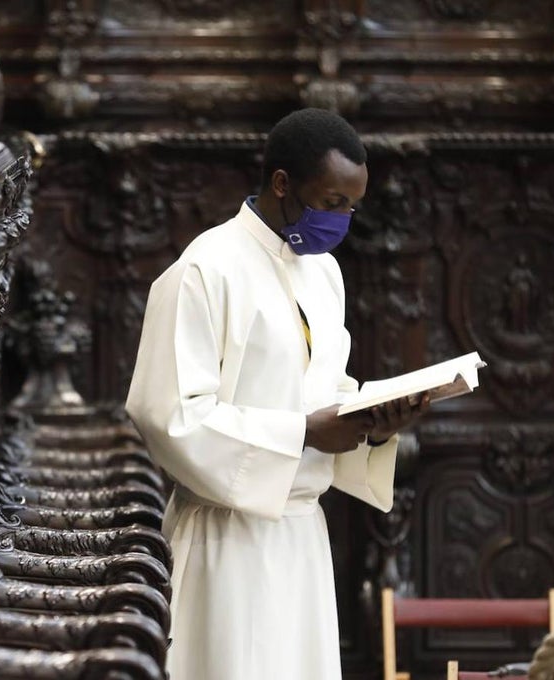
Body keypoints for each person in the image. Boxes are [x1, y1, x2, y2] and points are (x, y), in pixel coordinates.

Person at [125, 108, 429, 680]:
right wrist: (305, 431)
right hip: (226, 543)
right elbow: (166, 416)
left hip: (301, 539)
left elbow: (326, 388)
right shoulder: (204, 270)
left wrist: (376, 423)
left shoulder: (324, 274)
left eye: (351, 206)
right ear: (282, 183)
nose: (342, 219)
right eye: (332, 201)